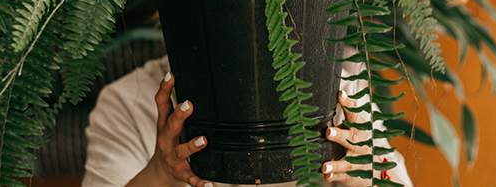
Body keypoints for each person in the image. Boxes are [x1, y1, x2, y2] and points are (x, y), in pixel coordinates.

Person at [82, 57, 412, 187]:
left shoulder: (338, 82)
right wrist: (160, 172)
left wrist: (365, 177)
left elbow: (389, 176)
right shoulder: (127, 103)